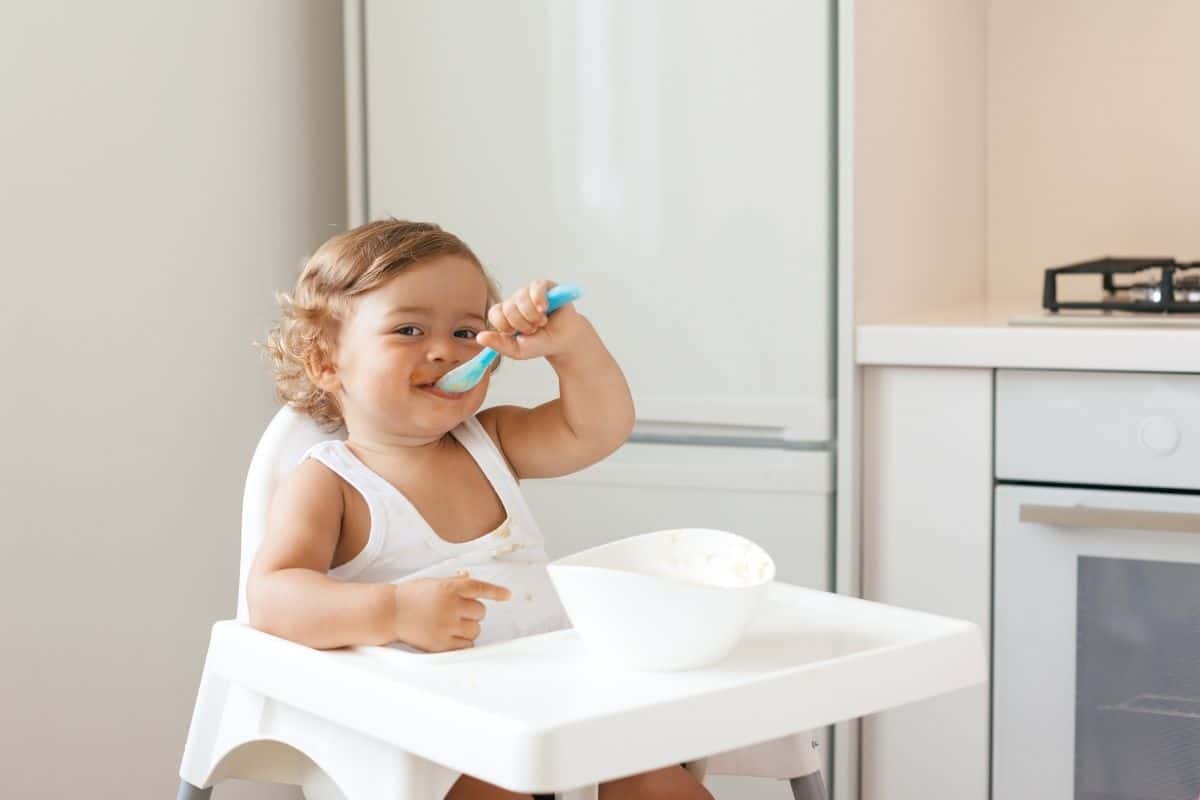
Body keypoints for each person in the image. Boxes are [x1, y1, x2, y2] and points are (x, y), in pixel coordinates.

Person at [249, 219, 713, 800]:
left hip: (553, 704)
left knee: (654, 777)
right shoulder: (331, 481)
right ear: (325, 362)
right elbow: (272, 597)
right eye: (409, 329)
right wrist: (393, 610)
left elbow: (598, 428)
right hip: (434, 740)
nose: (444, 350)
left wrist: (572, 346)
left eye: (468, 332)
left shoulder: (490, 441)